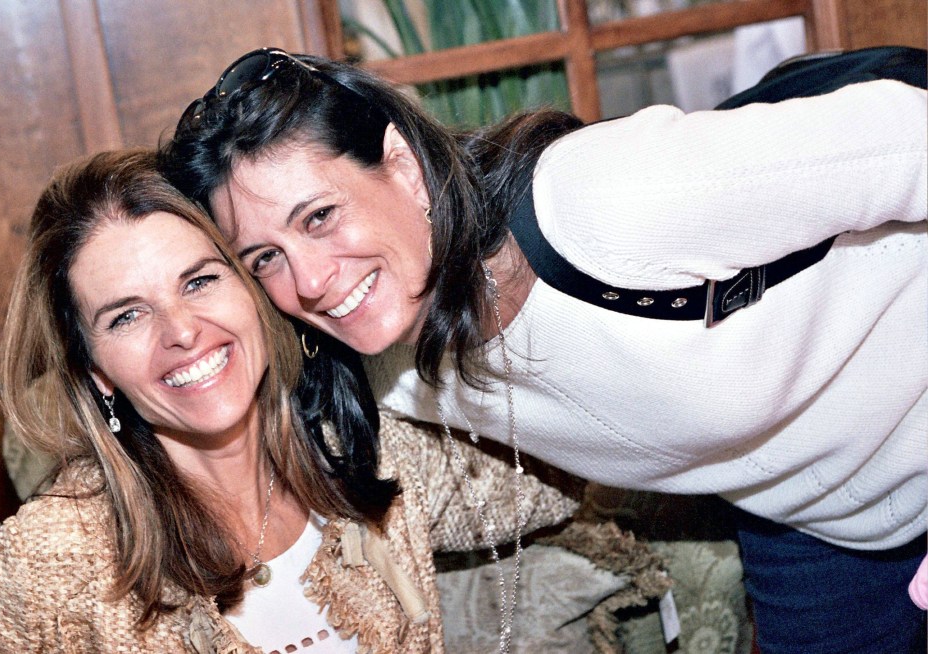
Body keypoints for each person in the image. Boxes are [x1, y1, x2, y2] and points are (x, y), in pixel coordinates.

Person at [161, 47, 928, 653]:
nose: (312, 281)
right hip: (817, 526)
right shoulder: (380, 366)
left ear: (400, 166)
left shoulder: (609, 203)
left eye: (321, 216)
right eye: (264, 258)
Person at [0, 148, 591, 653]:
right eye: (127, 316)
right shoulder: (55, 554)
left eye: (199, 281)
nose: (181, 331)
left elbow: (563, 466)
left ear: (255, 291)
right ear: (96, 373)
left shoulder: (370, 454)